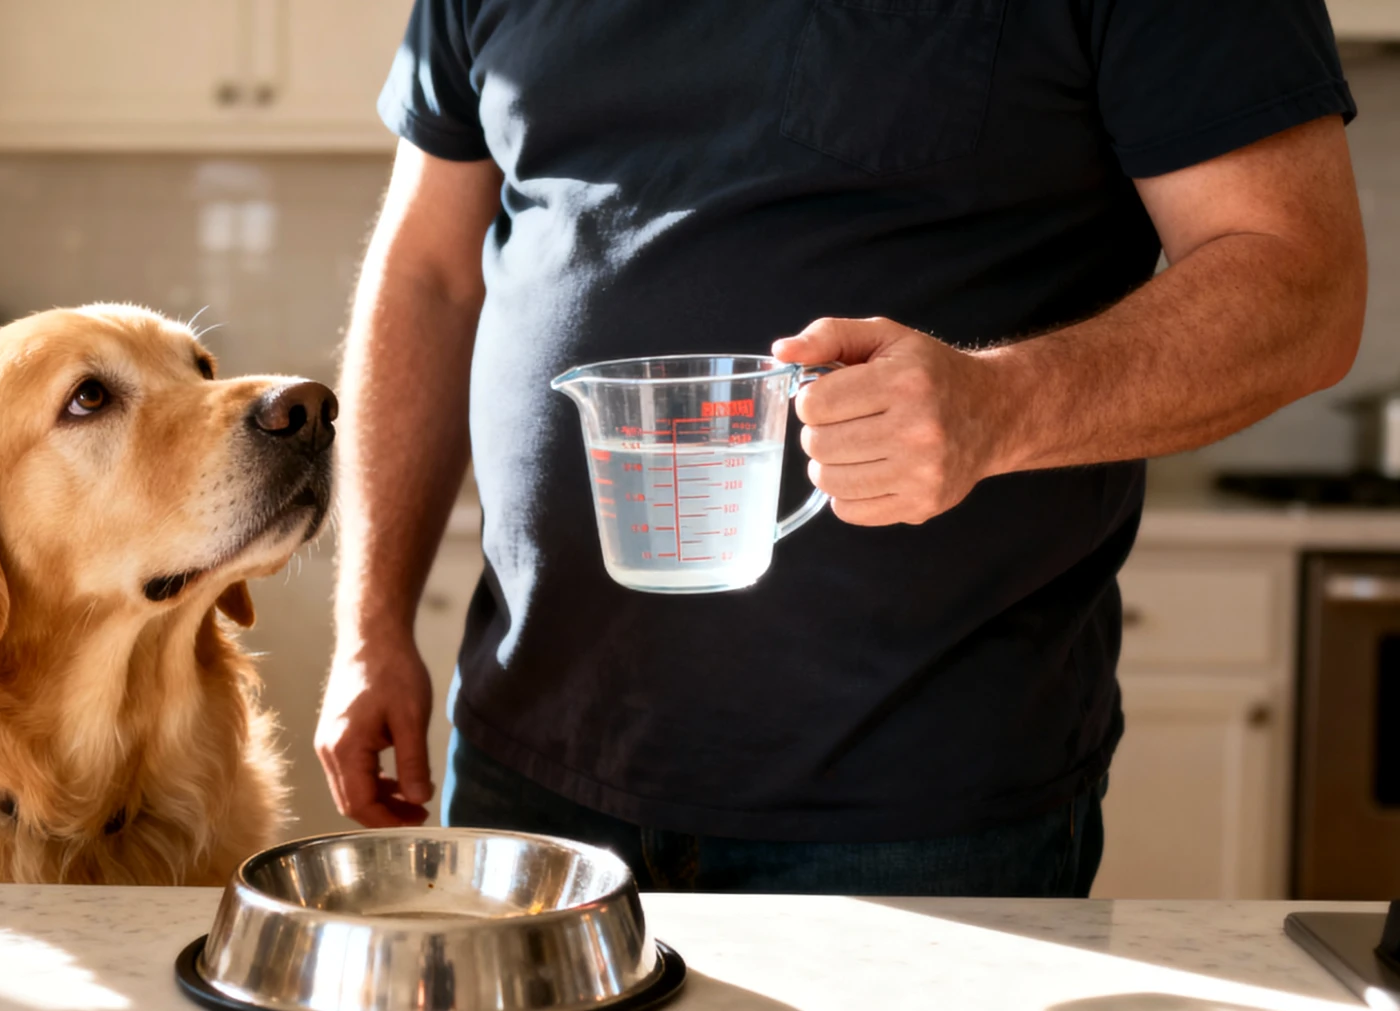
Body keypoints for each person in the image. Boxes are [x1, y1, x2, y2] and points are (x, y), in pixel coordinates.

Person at [315, 1, 1366, 895]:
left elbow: (1301, 281)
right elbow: (430, 271)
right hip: (524, 763)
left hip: (915, 810)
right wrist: (370, 623)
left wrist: (1001, 403)